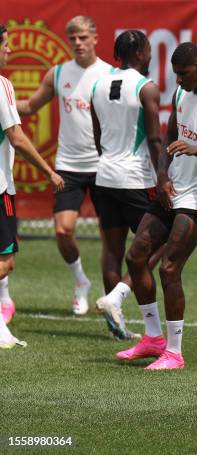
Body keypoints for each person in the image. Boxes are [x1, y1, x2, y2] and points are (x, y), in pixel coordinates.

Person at [116, 42, 197, 370]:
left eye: (183, 74)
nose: (179, 81)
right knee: (135, 255)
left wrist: (196, 149)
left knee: (169, 267)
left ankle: (175, 352)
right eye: (175, 75)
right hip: (173, 190)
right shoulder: (181, 95)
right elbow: (169, 141)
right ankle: (153, 338)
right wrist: (162, 175)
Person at [17, 16, 111, 316]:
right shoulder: (58, 73)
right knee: (62, 230)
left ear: (95, 37)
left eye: (83, 37)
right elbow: (31, 106)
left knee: (111, 236)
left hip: (103, 165)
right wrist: (3, 104)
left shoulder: (109, 75)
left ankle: (112, 302)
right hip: (68, 166)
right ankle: (81, 282)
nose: (78, 43)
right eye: (73, 38)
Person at [90, 30, 163, 339]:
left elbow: (96, 136)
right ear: (140, 53)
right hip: (135, 178)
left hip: (104, 174)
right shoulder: (146, 87)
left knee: (113, 248)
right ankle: (117, 296)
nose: (150, 56)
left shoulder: (97, 85)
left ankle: (114, 326)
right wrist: (164, 179)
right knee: (161, 239)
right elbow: (155, 139)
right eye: (148, 51)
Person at [0, 24, 64, 348]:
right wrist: (48, 171)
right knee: (6, 261)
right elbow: (17, 136)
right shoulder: (2, 85)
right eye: (6, 45)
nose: (9, 51)